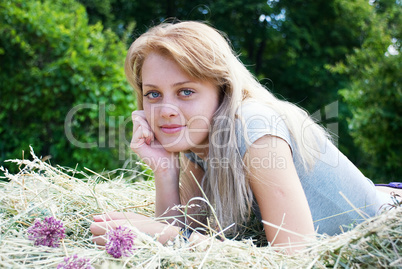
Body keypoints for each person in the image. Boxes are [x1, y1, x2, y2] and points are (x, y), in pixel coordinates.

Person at [90, 21, 401, 253]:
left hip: (389, 231)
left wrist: (165, 235)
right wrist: (164, 169)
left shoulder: (252, 126)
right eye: (153, 94)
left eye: (186, 91)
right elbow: (183, 236)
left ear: (222, 90)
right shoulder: (198, 141)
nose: (166, 109)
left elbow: (296, 256)